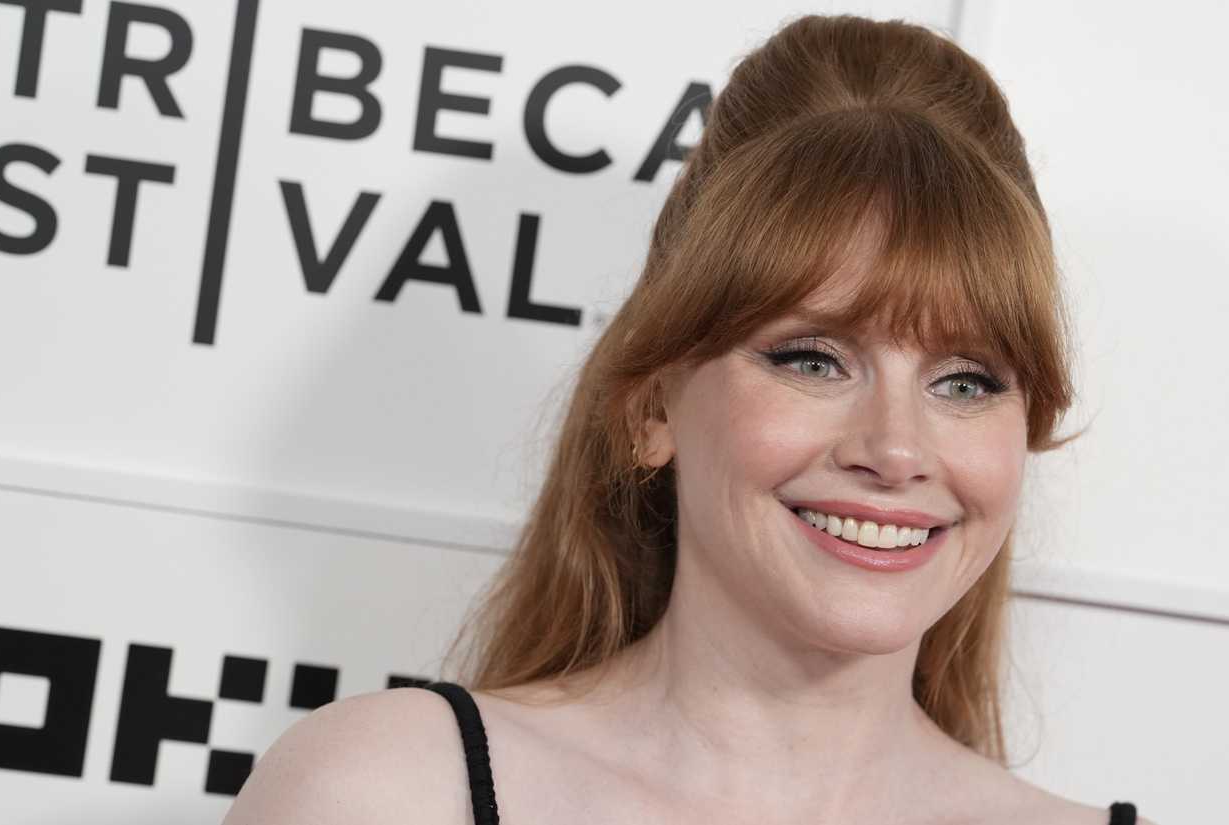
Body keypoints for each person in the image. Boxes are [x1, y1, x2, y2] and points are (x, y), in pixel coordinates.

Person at [222, 13, 1150, 825]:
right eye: (812, 359)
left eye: (967, 381)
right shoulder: (384, 798)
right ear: (654, 404)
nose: (898, 448)